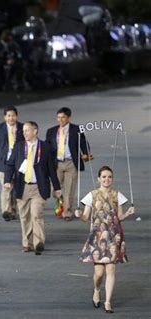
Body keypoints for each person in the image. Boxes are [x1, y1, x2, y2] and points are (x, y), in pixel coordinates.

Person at [76, 166, 135, 313]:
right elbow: (85, 217)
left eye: (109, 177)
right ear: (98, 179)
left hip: (114, 236)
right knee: (99, 273)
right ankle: (96, 289)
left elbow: (119, 217)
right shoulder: (92, 195)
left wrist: (127, 213)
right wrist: (79, 215)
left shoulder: (117, 195)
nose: (107, 179)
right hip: (97, 235)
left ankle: (108, 302)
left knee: (111, 269)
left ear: (112, 179)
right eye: (104, 177)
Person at [4, 121, 61, 255]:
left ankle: (39, 243)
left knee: (36, 215)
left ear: (35, 131)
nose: (24, 133)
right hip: (22, 186)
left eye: (27, 130)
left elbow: (51, 169)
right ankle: (27, 243)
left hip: (38, 187)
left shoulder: (46, 147)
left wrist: (57, 187)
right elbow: (10, 164)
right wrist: (7, 180)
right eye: (23, 131)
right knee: (24, 217)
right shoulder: (18, 147)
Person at [46, 107, 90, 221]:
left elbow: (84, 143)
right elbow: (47, 147)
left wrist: (85, 153)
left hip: (71, 162)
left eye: (63, 117)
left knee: (69, 189)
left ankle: (67, 211)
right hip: (57, 164)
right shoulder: (51, 131)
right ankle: (60, 205)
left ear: (69, 118)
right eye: (58, 117)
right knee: (55, 188)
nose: (60, 120)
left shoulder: (77, 129)